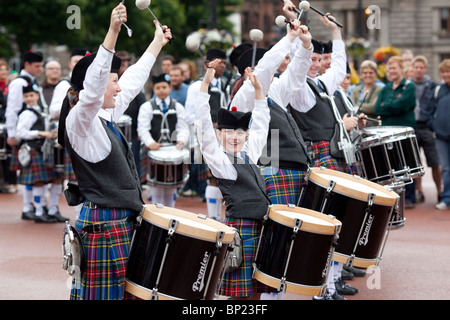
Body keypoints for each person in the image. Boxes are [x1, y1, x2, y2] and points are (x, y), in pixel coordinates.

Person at [60, 4, 173, 300]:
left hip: (117, 223)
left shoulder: (105, 115)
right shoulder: (80, 120)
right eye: (114, 82)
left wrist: (156, 43)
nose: (119, 88)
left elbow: (134, 80)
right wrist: (112, 32)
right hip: (103, 226)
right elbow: (96, 87)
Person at [289, 12, 365, 300]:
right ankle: (322, 289)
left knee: (338, 221)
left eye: (319, 60)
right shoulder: (299, 92)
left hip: (336, 156)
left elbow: (341, 66)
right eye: (310, 60)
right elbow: (298, 66)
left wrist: (335, 32)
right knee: (326, 223)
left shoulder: (322, 85)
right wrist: (298, 38)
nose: (315, 64)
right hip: (321, 156)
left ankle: (332, 286)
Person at [196, 61, 270, 300]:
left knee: (255, 293)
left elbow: (261, 123)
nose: (235, 137)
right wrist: (205, 84)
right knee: (241, 295)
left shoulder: (250, 153)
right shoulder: (221, 161)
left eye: (240, 133)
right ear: (220, 135)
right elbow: (203, 127)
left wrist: (259, 92)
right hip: (242, 232)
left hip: (262, 229)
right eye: (229, 133)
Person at [184, 48, 229, 220]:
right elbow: (189, 115)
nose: (223, 66)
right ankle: (213, 217)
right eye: (219, 62)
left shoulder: (225, 84)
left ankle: (219, 216)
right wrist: (211, 125)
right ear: (207, 65)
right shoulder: (196, 87)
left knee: (222, 176)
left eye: (224, 63)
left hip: (225, 138)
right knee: (212, 177)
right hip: (208, 137)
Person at [16, 83, 68, 222]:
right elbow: (20, 132)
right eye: (26, 96)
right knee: (38, 181)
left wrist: (50, 132)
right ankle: (39, 211)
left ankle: (49, 210)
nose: (29, 98)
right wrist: (41, 133)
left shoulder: (41, 111)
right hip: (33, 149)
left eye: (31, 95)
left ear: (37, 96)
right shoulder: (27, 114)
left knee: (52, 179)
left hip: (43, 150)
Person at [137, 73, 189, 207]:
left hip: (172, 150)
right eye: (158, 88)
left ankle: (170, 211)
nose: (161, 90)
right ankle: (157, 213)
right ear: (153, 89)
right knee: (156, 186)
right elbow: (142, 128)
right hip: (153, 150)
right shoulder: (147, 107)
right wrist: (150, 143)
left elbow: (183, 128)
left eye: (164, 87)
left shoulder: (178, 107)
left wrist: (181, 140)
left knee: (171, 186)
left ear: (170, 88)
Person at [6, 50, 44, 220]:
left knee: (32, 176)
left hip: (34, 131)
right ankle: (28, 207)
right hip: (24, 133)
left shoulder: (32, 81)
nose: (40, 69)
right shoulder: (18, 83)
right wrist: (12, 134)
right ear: (27, 65)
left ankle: (31, 207)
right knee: (29, 175)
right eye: (37, 66)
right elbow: (12, 110)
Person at [375, 56, 417, 208]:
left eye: (394, 68)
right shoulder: (385, 88)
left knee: (407, 164)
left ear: (401, 69)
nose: (391, 71)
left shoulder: (409, 86)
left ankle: (410, 197)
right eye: (389, 69)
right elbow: (377, 109)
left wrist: (387, 106)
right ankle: (394, 196)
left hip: (404, 131)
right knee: (391, 164)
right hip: (387, 132)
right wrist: (392, 107)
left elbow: (403, 105)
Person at [410, 55, 442, 204]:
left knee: (434, 162)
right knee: (415, 164)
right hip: (412, 127)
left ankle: (440, 191)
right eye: (416, 67)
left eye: (421, 67)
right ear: (412, 69)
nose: (418, 70)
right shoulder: (407, 85)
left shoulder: (432, 85)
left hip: (427, 127)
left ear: (425, 69)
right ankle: (419, 191)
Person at [427, 59, 450, 210]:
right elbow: (429, 111)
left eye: (448, 71)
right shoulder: (437, 90)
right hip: (441, 137)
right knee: (446, 168)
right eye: (443, 72)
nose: (445, 74)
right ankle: (447, 198)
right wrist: (434, 126)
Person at [350, 60, 383, 126]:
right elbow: (350, 107)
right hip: (356, 125)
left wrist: (357, 106)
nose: (368, 75)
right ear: (361, 75)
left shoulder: (380, 90)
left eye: (371, 73)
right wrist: (366, 106)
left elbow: (374, 108)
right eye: (365, 73)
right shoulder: (355, 90)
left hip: (372, 126)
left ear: (375, 74)